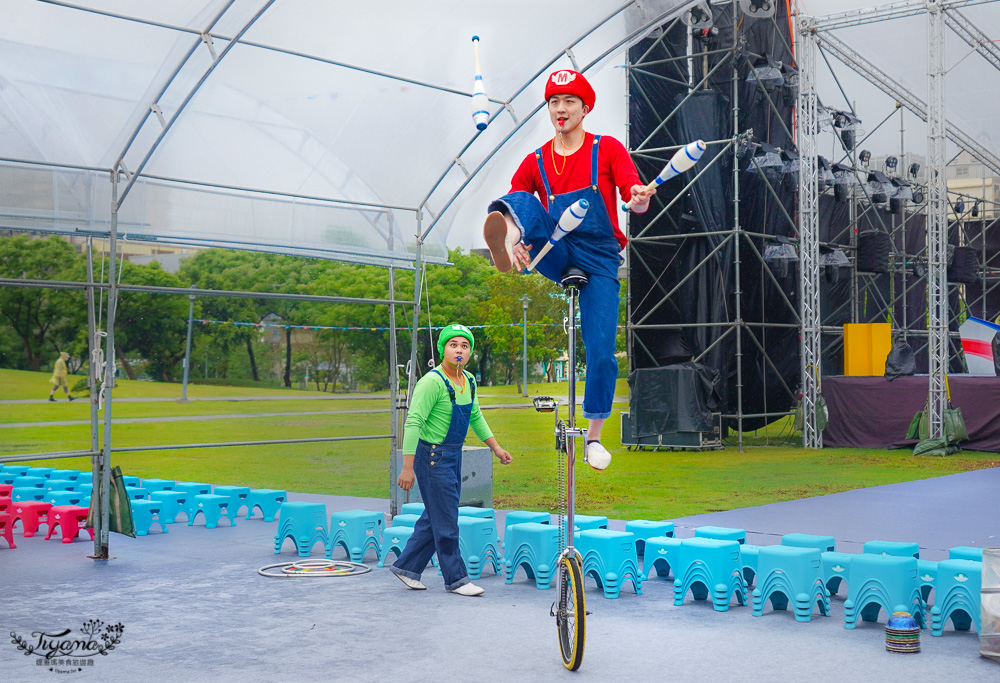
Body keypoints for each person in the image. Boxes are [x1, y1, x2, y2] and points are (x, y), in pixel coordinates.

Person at [483, 69, 654, 471]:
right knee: (521, 199)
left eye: (569, 102)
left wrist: (639, 198)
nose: (560, 109)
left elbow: (634, 195)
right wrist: (520, 234)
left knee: (601, 352)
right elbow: (520, 197)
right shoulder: (537, 160)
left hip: (599, 258)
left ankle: (593, 437)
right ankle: (507, 239)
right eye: (554, 102)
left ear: (585, 107)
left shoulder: (607, 148)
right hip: (556, 249)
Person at [390, 324, 513, 596]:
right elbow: (413, 422)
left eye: (465, 345)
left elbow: (475, 417)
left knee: (436, 515)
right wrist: (407, 468)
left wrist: (496, 448)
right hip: (431, 457)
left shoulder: (468, 380)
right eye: (453, 344)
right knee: (447, 520)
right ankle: (456, 579)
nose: (459, 350)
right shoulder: (431, 382)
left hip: (453, 455)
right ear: (442, 349)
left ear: (470, 352)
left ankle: (406, 567)